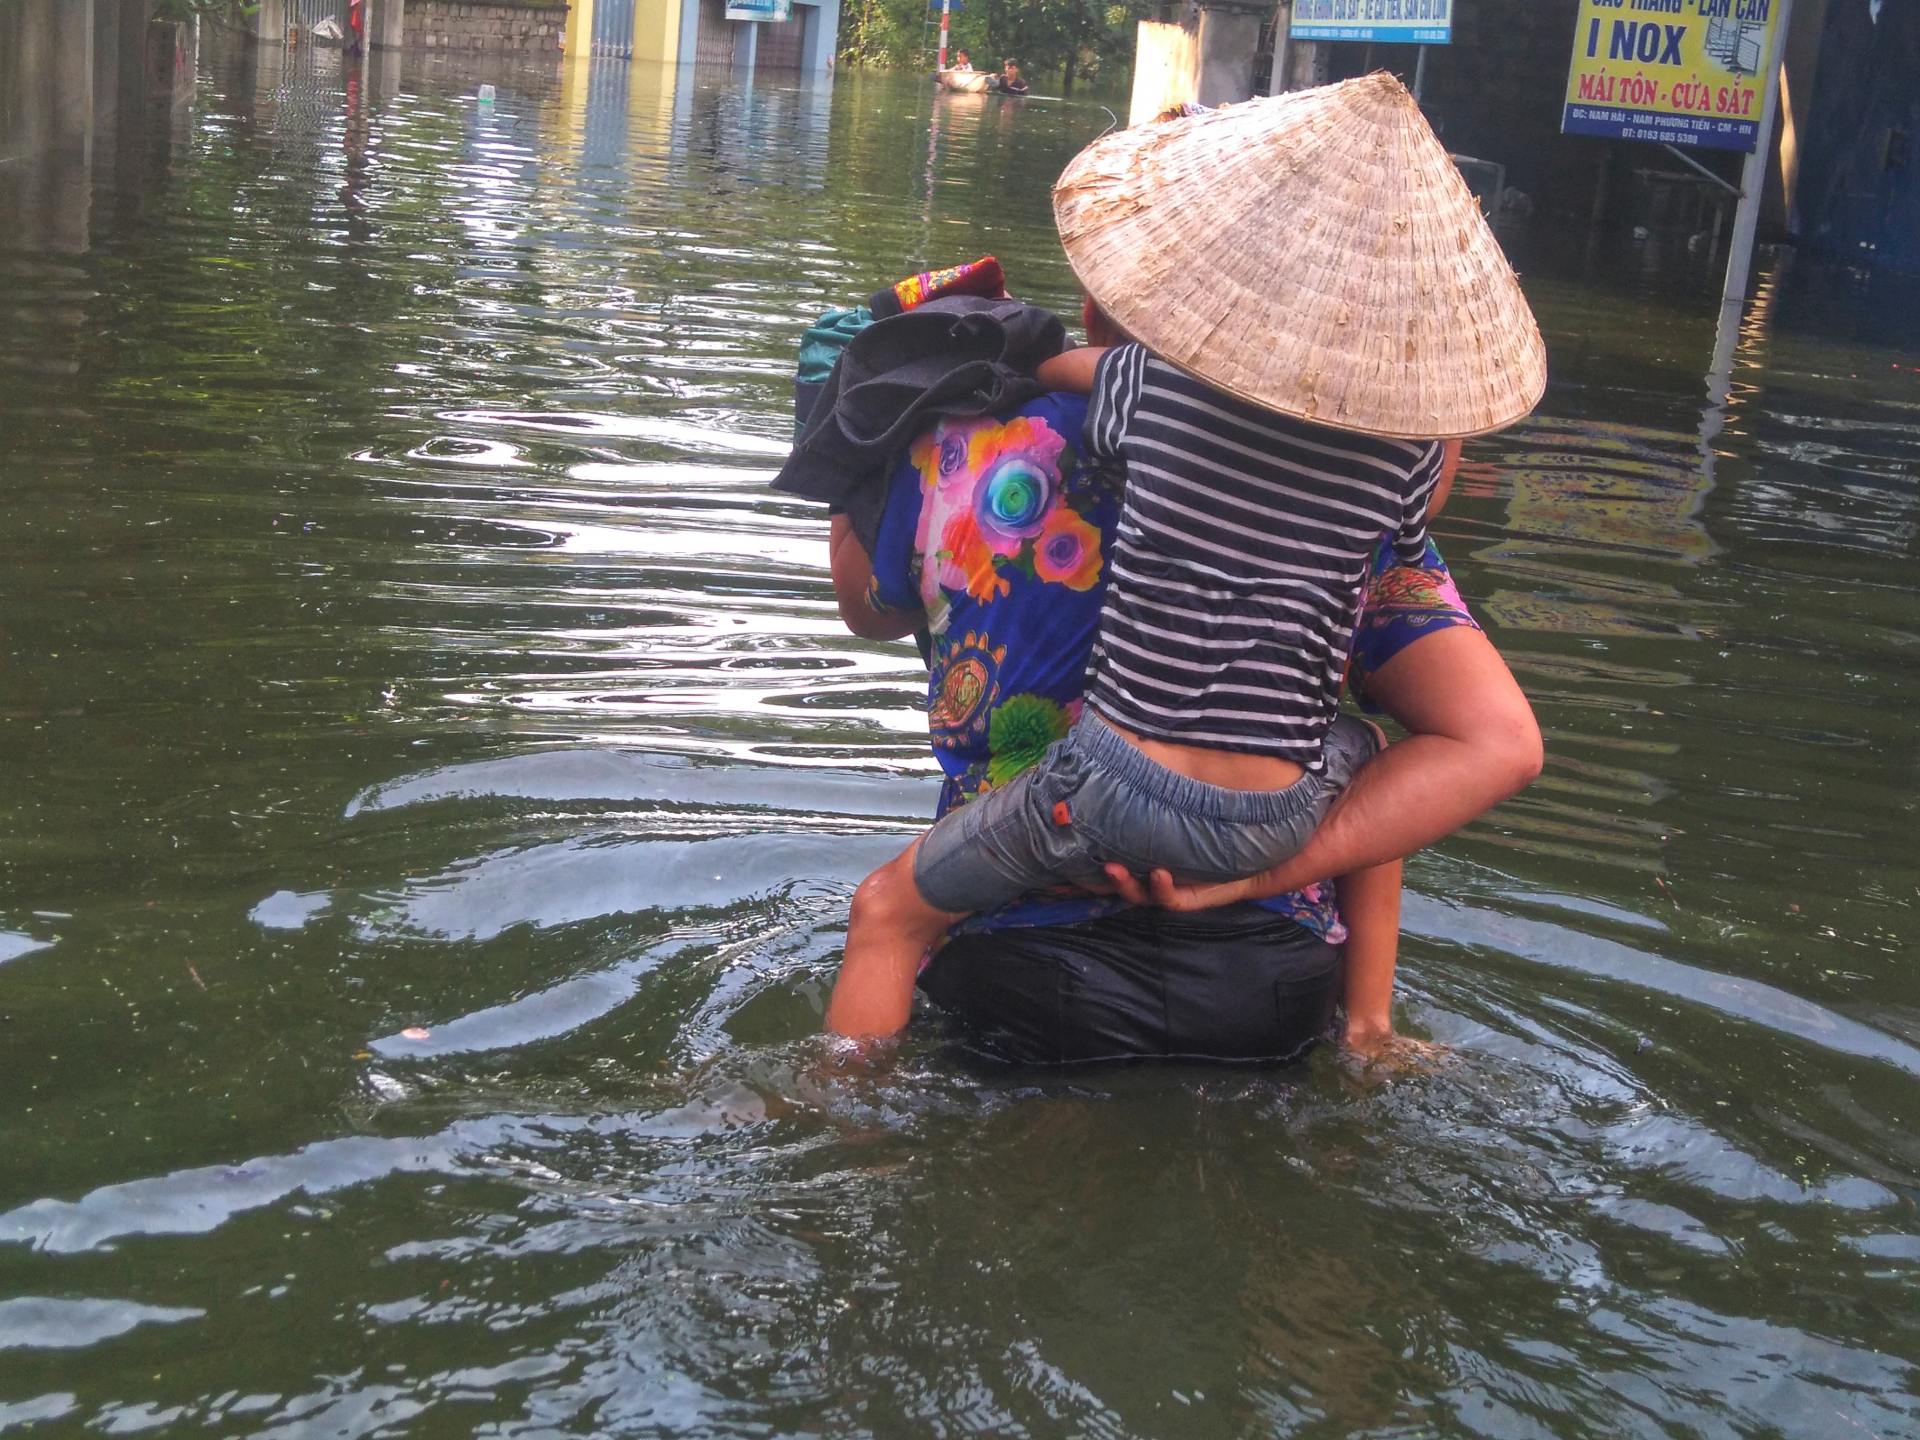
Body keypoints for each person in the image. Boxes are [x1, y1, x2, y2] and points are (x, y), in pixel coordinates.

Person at [828, 74, 1548, 1038]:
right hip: (1274, 966)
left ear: (1111, 299)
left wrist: (901, 386)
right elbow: (1494, 738)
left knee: (888, 915)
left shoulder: (991, 448)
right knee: (1375, 750)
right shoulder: (1375, 503)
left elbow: (865, 604)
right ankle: (1372, 1032)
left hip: (1034, 925)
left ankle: (827, 1110)